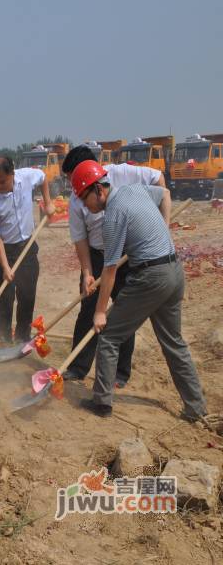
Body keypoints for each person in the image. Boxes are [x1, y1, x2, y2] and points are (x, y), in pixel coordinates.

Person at [71, 161, 207, 420]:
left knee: (109, 335)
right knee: (174, 343)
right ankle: (196, 408)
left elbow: (109, 270)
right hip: (173, 270)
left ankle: (101, 403)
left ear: (98, 189)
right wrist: (164, 228)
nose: (84, 206)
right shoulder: (134, 190)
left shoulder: (112, 216)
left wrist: (100, 312)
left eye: (84, 198)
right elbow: (165, 194)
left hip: (150, 278)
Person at [61, 146, 165, 386]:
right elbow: (80, 239)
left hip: (126, 257)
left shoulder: (121, 174)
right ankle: (77, 367)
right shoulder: (76, 200)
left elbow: (158, 180)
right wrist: (87, 273)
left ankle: (120, 373)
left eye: (74, 177)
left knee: (122, 312)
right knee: (88, 308)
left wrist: (160, 222)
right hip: (98, 257)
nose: (73, 185)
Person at [0, 156, 54, 344]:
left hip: (27, 246)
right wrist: (5, 266)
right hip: (2, 250)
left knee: (27, 293)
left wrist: (48, 202)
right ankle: (4, 338)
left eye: (2, 181)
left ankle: (23, 337)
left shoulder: (27, 177)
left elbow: (43, 177)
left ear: (12, 174)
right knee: (4, 298)